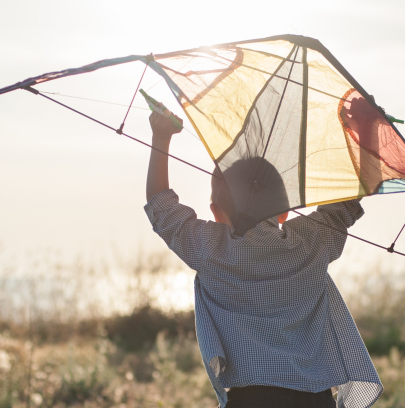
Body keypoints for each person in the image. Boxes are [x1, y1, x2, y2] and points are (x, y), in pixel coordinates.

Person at [143, 109, 383, 407]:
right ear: (284, 211)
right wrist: (367, 129)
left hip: (250, 399)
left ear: (216, 213)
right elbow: (357, 190)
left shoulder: (210, 248)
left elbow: (159, 203)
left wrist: (161, 137)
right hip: (315, 399)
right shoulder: (311, 240)